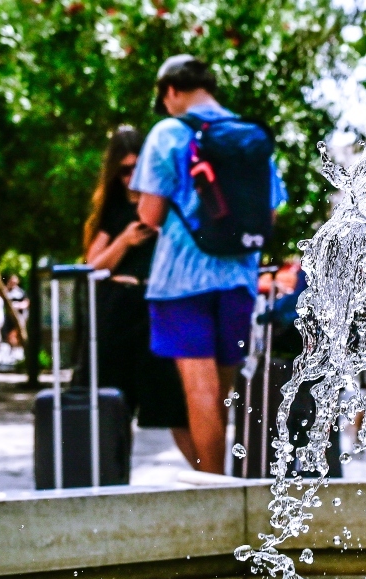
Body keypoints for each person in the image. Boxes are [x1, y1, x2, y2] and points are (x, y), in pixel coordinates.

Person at [131, 55, 287, 473]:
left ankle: (215, 492)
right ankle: (227, 492)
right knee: (223, 392)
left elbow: (149, 215)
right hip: (238, 279)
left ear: (171, 91)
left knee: (200, 391)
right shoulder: (249, 136)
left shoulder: (168, 132)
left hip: (181, 280)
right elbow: (270, 214)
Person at [84, 126, 190, 459]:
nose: (131, 176)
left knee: (176, 406)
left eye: (137, 168)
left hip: (157, 310)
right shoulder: (111, 214)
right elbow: (91, 267)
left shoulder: (165, 208)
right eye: (124, 170)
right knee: (114, 405)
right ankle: (113, 485)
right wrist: (124, 241)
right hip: (118, 310)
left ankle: (213, 480)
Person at [1, 275, 29, 351]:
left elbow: (26, 303)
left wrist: (18, 306)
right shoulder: (6, 291)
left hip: (18, 316)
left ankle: (17, 349)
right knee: (8, 333)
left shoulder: (21, 292)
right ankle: (11, 349)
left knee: (16, 333)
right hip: (8, 316)